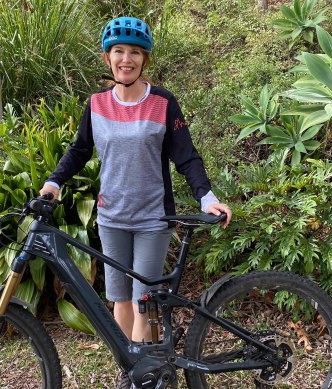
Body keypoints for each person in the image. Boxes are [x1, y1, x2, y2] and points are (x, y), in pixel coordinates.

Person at [39, 16, 232, 389]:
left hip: (152, 219)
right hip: (111, 217)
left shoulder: (162, 102)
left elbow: (186, 156)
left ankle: (142, 377)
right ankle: (131, 369)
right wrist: (53, 183)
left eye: (134, 53)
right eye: (119, 52)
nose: (126, 59)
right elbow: (79, 151)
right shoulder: (96, 104)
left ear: (144, 60)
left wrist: (207, 197)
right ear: (108, 58)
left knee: (143, 299)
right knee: (119, 298)